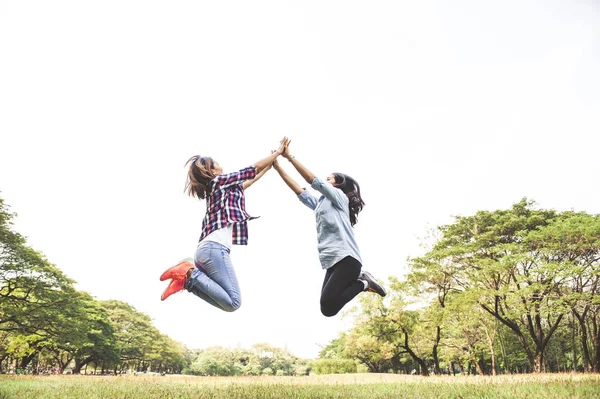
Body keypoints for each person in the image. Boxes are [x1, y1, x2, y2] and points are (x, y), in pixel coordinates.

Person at [159, 137, 290, 311]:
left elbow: (251, 179)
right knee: (233, 302)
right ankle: (188, 272)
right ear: (211, 171)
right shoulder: (217, 182)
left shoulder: (223, 189)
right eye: (216, 163)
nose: (220, 164)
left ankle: (187, 282)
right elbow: (252, 169)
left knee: (230, 305)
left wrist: (272, 163)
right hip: (214, 248)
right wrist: (279, 152)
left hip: (208, 250)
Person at [272, 140, 386, 317]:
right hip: (332, 261)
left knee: (327, 303)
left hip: (347, 258)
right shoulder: (320, 204)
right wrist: (278, 167)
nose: (325, 181)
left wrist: (289, 158)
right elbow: (298, 190)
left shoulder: (340, 198)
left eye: (329, 179)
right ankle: (362, 283)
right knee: (327, 309)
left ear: (338, 184)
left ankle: (364, 282)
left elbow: (312, 180)